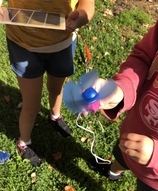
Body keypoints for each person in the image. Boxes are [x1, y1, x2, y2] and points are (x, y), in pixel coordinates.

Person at [88, 0, 158, 191]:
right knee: (121, 155)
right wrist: (121, 90)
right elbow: (145, 56)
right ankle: (113, 172)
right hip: (133, 129)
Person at [2, 0, 94, 166]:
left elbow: (87, 4)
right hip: (23, 45)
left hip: (63, 43)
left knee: (56, 89)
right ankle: (24, 142)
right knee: (31, 105)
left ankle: (55, 116)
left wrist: (79, 18)